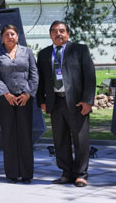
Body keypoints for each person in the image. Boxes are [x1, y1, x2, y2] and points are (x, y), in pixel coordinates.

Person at [36, 20, 96, 187]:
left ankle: (81, 174)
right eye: (54, 31)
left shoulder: (79, 50)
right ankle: (66, 173)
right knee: (60, 140)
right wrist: (42, 101)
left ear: (68, 33)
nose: (58, 34)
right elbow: (39, 80)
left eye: (62, 30)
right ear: (50, 35)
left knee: (80, 139)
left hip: (77, 103)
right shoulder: (44, 54)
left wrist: (88, 101)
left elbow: (89, 76)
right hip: (55, 102)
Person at [0, 25, 39, 184]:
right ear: (2, 37)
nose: (10, 37)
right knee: (9, 135)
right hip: (5, 100)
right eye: (6, 34)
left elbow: (34, 74)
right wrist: (6, 94)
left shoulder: (27, 52)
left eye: (12, 34)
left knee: (24, 135)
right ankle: (12, 173)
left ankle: (26, 173)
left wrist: (27, 93)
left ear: (17, 36)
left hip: (25, 98)